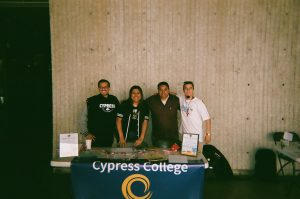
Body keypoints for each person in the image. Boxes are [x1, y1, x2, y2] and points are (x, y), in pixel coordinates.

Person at [80, 79, 120, 147]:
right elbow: (83, 118)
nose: (103, 88)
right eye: (101, 87)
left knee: (109, 156)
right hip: (94, 138)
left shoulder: (114, 100)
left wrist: (118, 135)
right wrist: (86, 133)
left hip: (110, 137)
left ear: (109, 88)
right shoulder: (91, 100)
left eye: (105, 87)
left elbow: (119, 118)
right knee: (95, 156)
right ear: (98, 89)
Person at [179, 81, 211, 152]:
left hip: (196, 138)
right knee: (187, 160)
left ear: (193, 89)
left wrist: (208, 134)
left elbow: (207, 119)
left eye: (190, 88)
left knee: (197, 160)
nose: (188, 90)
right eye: (186, 88)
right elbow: (171, 94)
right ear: (183, 90)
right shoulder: (181, 99)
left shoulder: (199, 103)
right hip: (185, 137)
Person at [146, 82, 180, 147]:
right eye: (160, 90)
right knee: (159, 156)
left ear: (169, 90)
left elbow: (188, 105)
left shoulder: (175, 100)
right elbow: (141, 104)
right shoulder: (152, 100)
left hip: (174, 137)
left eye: (165, 89)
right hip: (157, 137)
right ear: (158, 91)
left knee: (173, 156)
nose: (163, 92)